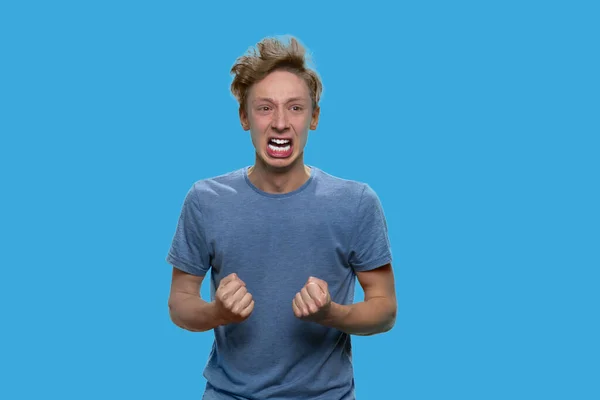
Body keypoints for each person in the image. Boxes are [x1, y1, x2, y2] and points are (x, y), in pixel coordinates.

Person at [166, 35, 397, 400]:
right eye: (264, 108)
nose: (279, 123)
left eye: (294, 108)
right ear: (244, 117)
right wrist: (217, 312)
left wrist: (331, 313)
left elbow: (384, 309)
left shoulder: (356, 202)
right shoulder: (205, 200)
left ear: (314, 117)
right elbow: (179, 302)